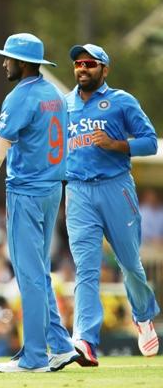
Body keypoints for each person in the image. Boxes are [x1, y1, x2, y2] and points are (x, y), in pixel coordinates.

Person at [0, 33, 77, 373]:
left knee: (29, 276)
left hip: (27, 192)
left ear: (22, 63)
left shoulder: (19, 97)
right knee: (38, 272)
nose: (4, 62)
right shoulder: (54, 94)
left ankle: (35, 357)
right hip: (53, 189)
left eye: (8, 58)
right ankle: (62, 346)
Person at [65, 43, 160, 365]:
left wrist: (116, 144)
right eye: (78, 63)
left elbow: (150, 142)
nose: (83, 69)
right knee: (86, 269)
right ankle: (85, 341)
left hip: (115, 187)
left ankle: (143, 316)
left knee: (130, 264)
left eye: (90, 64)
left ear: (104, 69)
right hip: (77, 192)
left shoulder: (121, 101)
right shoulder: (64, 105)